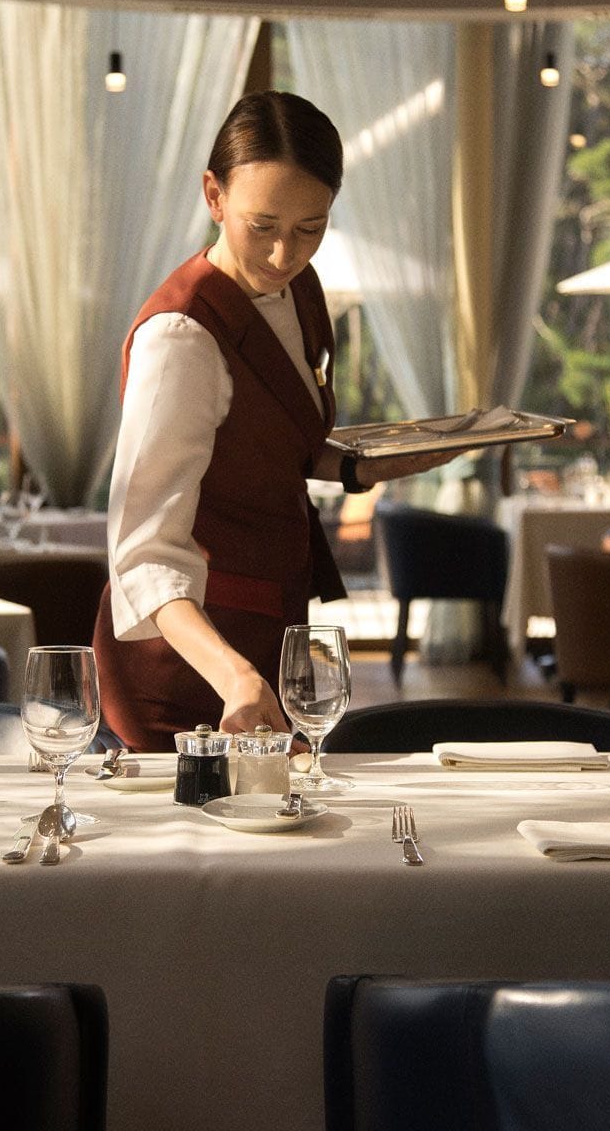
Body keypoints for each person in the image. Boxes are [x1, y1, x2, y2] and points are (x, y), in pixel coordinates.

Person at [91, 91, 456, 753]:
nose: (285, 253)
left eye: (310, 228)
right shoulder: (181, 337)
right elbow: (142, 553)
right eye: (263, 226)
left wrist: (356, 464)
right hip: (188, 668)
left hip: (268, 637)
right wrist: (234, 676)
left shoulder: (297, 291)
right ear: (214, 196)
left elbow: (270, 441)